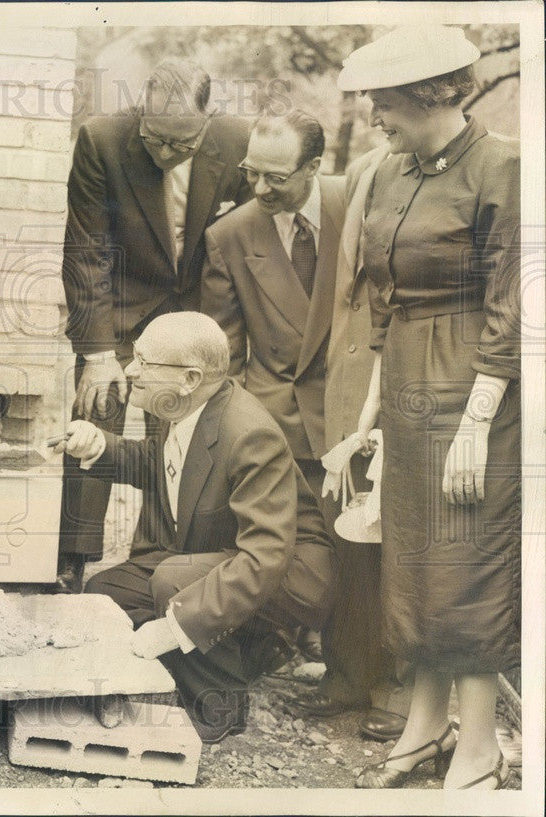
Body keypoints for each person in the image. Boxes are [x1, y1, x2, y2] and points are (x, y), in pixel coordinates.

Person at [337, 26, 520, 789]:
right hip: (408, 383)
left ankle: (478, 745)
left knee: (465, 562)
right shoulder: (387, 172)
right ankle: (425, 725)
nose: (375, 117)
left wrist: (478, 422)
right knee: (412, 561)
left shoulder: (504, 167)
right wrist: (368, 417)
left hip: (478, 385)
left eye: (383, 104)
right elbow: (386, 303)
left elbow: (516, 309)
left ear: (430, 95)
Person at [62, 312, 336, 742]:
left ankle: (220, 705)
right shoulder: (185, 405)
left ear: (190, 377)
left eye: (144, 362)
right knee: (107, 594)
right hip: (228, 553)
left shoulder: (249, 435)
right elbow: (166, 464)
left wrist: (175, 628)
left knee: (174, 587)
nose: (131, 370)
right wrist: (101, 446)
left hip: (289, 572)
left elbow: (266, 556)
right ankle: (231, 657)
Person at [57, 58, 251, 593]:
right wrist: (97, 354)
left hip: (200, 314)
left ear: (209, 121)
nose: (164, 153)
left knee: (184, 440)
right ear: (141, 109)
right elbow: (86, 252)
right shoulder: (102, 139)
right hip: (120, 310)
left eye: (180, 145)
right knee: (95, 417)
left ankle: (161, 559)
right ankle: (71, 561)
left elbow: (245, 245)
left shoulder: (241, 142)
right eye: (154, 139)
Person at [201, 110, 343, 668]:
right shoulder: (229, 235)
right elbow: (224, 359)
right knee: (283, 545)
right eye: (250, 173)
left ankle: (353, 669)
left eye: (276, 178)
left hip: (351, 413)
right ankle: (276, 641)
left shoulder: (354, 202)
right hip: (276, 420)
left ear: (313, 167)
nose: (258, 189)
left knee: (355, 552)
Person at [296, 141, 413, 743]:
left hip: (403, 391)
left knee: (392, 544)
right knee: (348, 541)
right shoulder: (362, 186)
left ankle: (397, 686)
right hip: (345, 395)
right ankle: (348, 671)